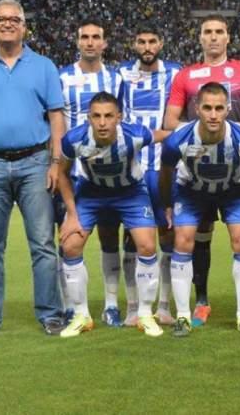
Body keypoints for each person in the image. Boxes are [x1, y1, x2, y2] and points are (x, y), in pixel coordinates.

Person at [0, 0, 65, 337]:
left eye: (13, 19)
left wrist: (56, 162)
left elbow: (56, 116)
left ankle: (50, 313)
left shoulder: (44, 66)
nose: (7, 23)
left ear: (24, 26)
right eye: (0, 19)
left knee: (43, 244)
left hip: (35, 163)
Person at [164, 14, 240, 325]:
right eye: (207, 32)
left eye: (219, 32)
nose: (213, 37)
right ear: (199, 38)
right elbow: (170, 123)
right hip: (197, 166)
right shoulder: (186, 76)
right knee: (199, 236)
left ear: (228, 37)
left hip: (235, 167)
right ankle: (201, 300)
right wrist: (203, 131)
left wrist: (234, 130)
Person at [57, 92, 170, 338]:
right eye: (96, 116)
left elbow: (163, 135)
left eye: (109, 116)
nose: (102, 122)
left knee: (148, 245)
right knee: (70, 245)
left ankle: (144, 314)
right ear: (88, 118)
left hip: (131, 193)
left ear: (118, 117)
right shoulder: (73, 140)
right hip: (91, 193)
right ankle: (81, 315)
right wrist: (72, 214)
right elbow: (62, 174)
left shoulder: (134, 135)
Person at [159, 82, 240, 337]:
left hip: (233, 190)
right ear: (197, 108)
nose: (213, 114)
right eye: (207, 108)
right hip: (192, 191)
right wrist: (168, 204)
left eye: (219, 108)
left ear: (228, 109)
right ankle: (183, 317)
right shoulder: (178, 140)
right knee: (183, 241)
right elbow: (166, 174)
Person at [58, 18, 124, 328]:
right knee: (67, 236)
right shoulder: (62, 77)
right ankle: (72, 306)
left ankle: (111, 305)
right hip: (69, 168)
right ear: (77, 41)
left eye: (96, 37)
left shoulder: (116, 79)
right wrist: (53, 161)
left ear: (104, 43)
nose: (90, 42)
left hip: (105, 170)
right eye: (84, 36)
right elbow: (53, 119)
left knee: (110, 237)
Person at [119, 23, 182, 326]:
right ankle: (133, 306)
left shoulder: (175, 73)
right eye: (141, 41)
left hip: (165, 169)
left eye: (152, 40)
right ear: (134, 45)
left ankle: (165, 305)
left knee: (168, 234)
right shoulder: (121, 76)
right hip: (132, 170)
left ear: (160, 43)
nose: (147, 46)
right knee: (133, 239)